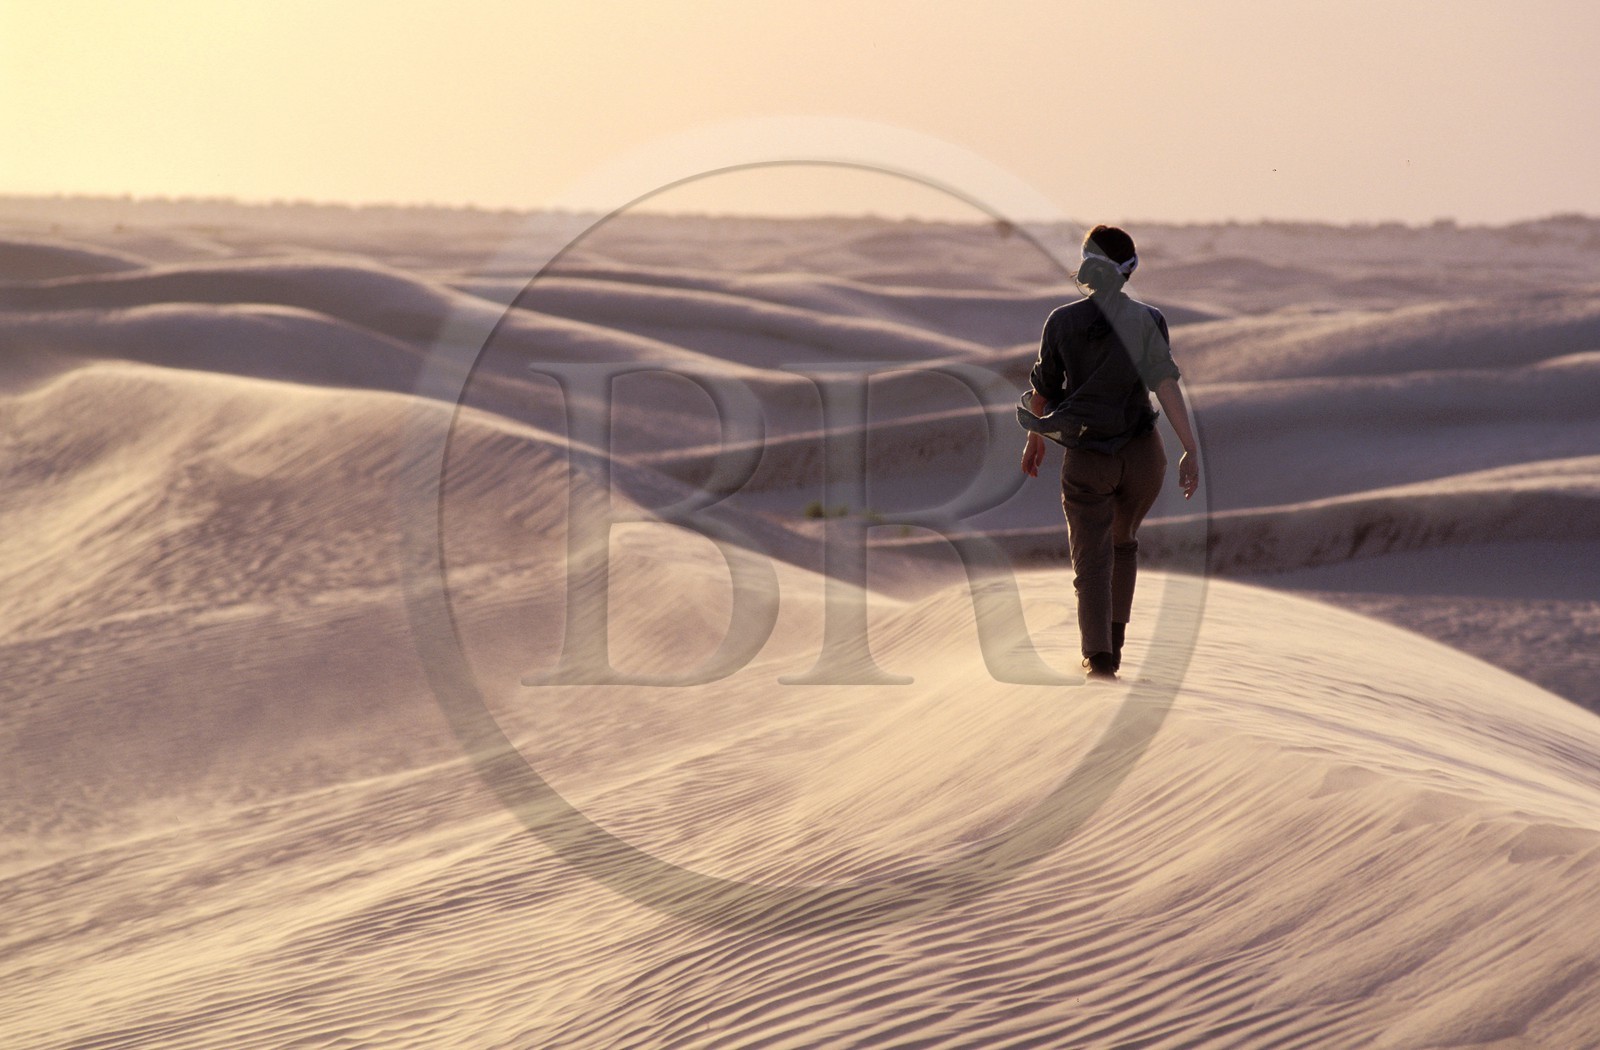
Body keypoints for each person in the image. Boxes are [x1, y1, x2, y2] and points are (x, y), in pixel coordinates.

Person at [1020, 225, 1199, 681]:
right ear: (1130, 269)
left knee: (1091, 561)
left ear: (1085, 263)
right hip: (1143, 455)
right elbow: (1165, 384)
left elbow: (1042, 391)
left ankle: (1099, 658)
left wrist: (1035, 438)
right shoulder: (1150, 319)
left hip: (1088, 456)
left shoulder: (1061, 321)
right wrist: (1190, 449)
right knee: (1124, 544)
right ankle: (1115, 644)